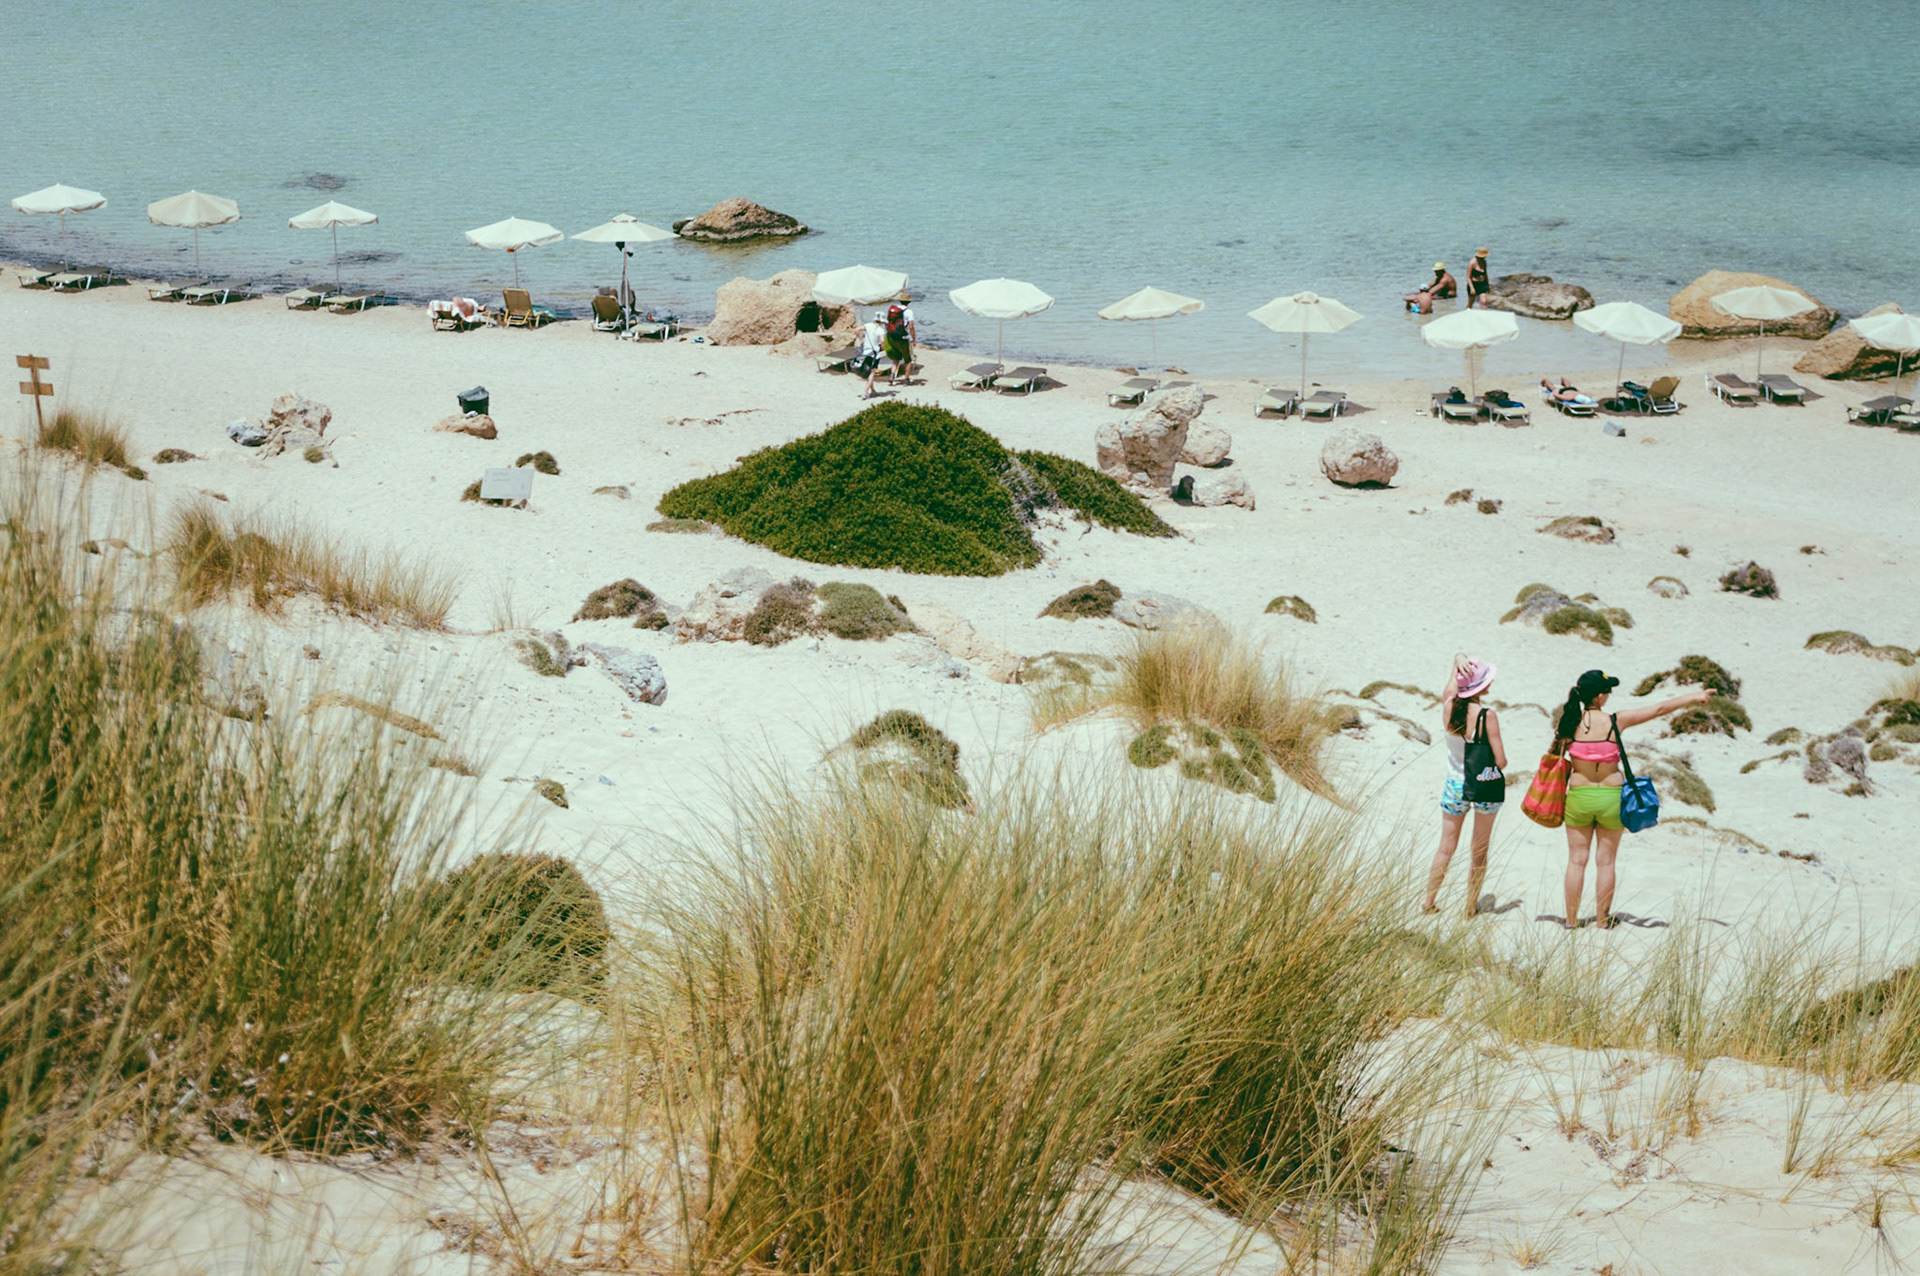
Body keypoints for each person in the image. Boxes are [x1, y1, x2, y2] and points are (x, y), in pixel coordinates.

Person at [1555, 670, 1712, 929]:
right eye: (1608, 691)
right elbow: (1659, 708)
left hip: (1579, 798)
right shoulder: (1617, 721)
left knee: (1576, 860)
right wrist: (1694, 696)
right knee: (1605, 862)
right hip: (1611, 798)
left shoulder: (1569, 721)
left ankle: (1571, 922)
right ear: (1601, 696)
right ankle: (1603, 921)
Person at [1423, 656, 1506, 917]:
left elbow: (1449, 690)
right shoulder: (1486, 715)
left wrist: (1456, 661)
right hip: (1482, 786)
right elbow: (1501, 761)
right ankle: (1470, 907)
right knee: (1479, 850)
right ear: (1480, 687)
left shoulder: (1448, 705)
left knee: (1445, 847)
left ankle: (1429, 901)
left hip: (1454, 784)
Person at [883, 301, 916, 384]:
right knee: (907, 360)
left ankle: (892, 375)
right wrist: (914, 339)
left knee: (895, 358)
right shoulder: (909, 312)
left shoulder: (893, 310)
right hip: (903, 338)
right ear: (909, 302)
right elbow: (911, 327)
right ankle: (907, 378)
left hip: (892, 336)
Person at [855, 313, 887, 399]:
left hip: (865, 351)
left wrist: (861, 339)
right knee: (872, 372)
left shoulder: (868, 325)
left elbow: (857, 329)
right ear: (882, 322)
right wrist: (882, 347)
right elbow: (882, 340)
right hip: (874, 353)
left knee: (869, 371)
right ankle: (865, 392)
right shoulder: (880, 330)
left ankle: (873, 391)